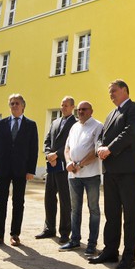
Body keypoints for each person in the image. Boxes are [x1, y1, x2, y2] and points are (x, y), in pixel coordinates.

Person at [90, 80, 135, 269]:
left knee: (129, 214)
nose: (111, 94)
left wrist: (109, 149)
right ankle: (110, 250)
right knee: (111, 213)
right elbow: (100, 137)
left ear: (124, 90)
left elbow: (130, 133)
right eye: (109, 92)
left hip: (128, 169)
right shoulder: (110, 114)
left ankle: (129, 256)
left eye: (113, 91)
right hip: (110, 170)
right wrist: (99, 148)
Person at [0, 94, 39, 248]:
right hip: (2, 168)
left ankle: (15, 235)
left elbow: (33, 149)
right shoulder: (2, 123)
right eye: (11, 103)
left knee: (18, 202)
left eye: (17, 103)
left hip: (21, 170)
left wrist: (31, 170)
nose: (14, 106)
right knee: (0, 202)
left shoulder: (31, 125)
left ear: (23, 106)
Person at [62, 101, 103, 255]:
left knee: (93, 209)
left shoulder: (98, 126)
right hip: (73, 175)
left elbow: (95, 150)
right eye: (79, 110)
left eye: (84, 109)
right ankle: (74, 240)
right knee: (75, 209)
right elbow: (67, 148)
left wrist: (80, 164)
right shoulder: (74, 127)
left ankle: (92, 244)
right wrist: (68, 162)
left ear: (91, 111)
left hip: (91, 174)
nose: (81, 112)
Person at [36, 96, 76, 242]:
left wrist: (56, 155)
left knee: (65, 200)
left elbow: (71, 144)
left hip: (64, 166)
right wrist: (48, 155)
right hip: (51, 167)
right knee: (49, 198)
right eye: (62, 105)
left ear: (72, 107)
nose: (63, 108)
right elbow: (47, 141)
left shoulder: (75, 124)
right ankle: (49, 228)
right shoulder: (55, 122)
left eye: (66, 105)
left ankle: (65, 232)